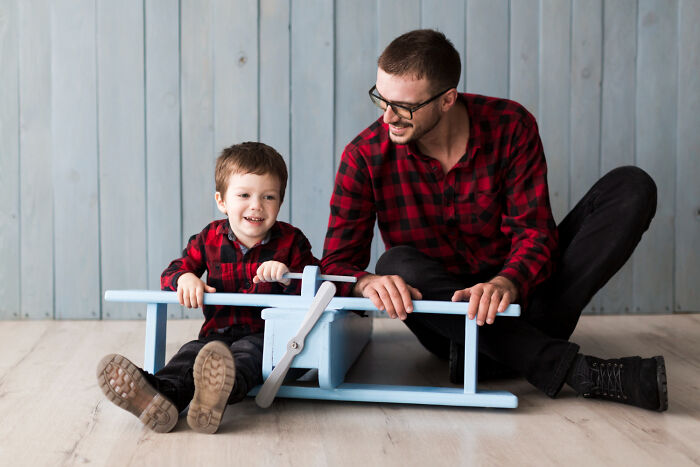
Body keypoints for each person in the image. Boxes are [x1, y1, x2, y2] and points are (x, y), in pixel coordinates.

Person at [321, 29, 667, 411]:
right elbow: (337, 264)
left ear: (447, 99)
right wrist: (366, 282)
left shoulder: (511, 125)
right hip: (445, 321)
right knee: (394, 263)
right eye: (381, 99)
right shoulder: (363, 156)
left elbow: (534, 234)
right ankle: (575, 370)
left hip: (524, 300)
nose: (388, 116)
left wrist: (507, 282)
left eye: (403, 107)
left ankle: (493, 356)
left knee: (631, 186)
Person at [96, 142, 321, 433]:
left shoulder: (291, 241)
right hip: (215, 336)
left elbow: (316, 288)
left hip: (266, 337)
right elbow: (173, 270)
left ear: (280, 202)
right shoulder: (209, 238)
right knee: (189, 356)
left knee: (245, 359)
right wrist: (184, 279)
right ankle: (159, 396)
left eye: (269, 196)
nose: (256, 205)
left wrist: (288, 277)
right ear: (222, 200)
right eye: (244, 195)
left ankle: (216, 395)